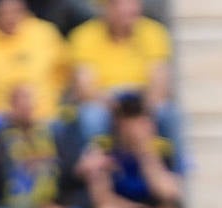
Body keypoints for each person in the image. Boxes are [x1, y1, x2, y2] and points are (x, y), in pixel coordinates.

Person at [68, 0, 173, 139]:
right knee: (92, 115)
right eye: (122, 3)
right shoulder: (84, 35)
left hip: (142, 100)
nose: (131, 8)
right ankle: (99, 157)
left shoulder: (154, 32)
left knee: (168, 113)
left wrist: (140, 111)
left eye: (134, 3)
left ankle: (175, 160)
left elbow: (160, 84)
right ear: (106, 7)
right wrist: (117, 108)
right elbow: (85, 89)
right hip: (105, 101)